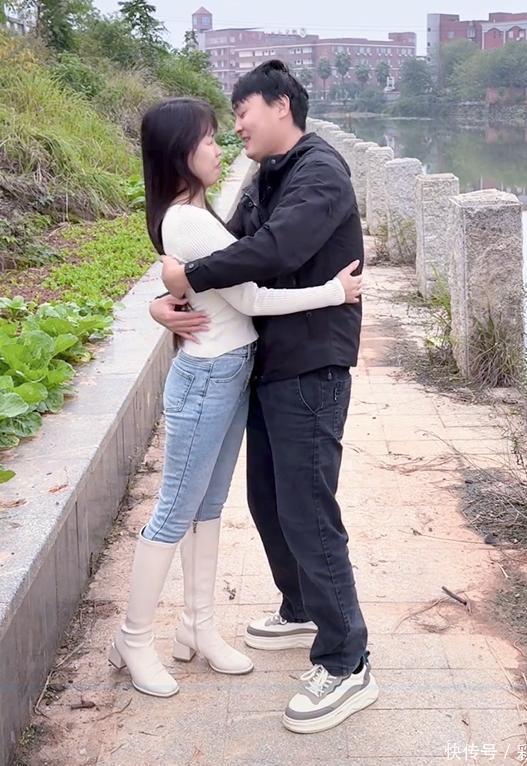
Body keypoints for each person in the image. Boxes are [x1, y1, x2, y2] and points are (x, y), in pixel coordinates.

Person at [107, 95, 363, 700]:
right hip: (208, 375)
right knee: (176, 510)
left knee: (208, 507)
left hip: (229, 370)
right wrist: (332, 293)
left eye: (229, 127)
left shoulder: (203, 211)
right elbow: (246, 296)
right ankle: (133, 638)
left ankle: (197, 627)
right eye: (207, 139)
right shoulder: (188, 219)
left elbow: (212, 279)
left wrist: (164, 299)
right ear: (180, 152)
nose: (221, 145)